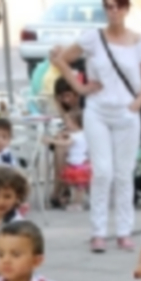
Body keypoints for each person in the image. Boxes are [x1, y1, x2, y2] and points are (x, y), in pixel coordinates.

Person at [52, 0, 141, 253]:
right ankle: (98, 232)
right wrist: (79, 87)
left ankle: (124, 231)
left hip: (127, 112)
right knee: (103, 171)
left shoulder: (139, 41)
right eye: (109, 6)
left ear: (126, 9)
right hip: (98, 110)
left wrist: (139, 101)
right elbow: (62, 59)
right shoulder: (93, 38)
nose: (114, 11)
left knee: (123, 173)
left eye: (119, 6)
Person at [45, 110, 91, 212]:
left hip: (77, 165)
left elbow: (65, 143)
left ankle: (77, 203)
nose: (66, 125)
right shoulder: (83, 134)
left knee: (79, 187)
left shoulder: (76, 136)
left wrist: (51, 141)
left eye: (68, 122)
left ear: (76, 123)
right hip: (79, 163)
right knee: (79, 186)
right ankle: (77, 201)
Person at [49, 77, 84, 209]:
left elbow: (78, 127)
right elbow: (68, 125)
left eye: (68, 96)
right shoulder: (66, 106)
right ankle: (61, 186)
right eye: (61, 98)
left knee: (60, 147)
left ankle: (59, 188)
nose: (65, 100)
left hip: (85, 141)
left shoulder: (85, 105)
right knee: (59, 146)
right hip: (71, 140)